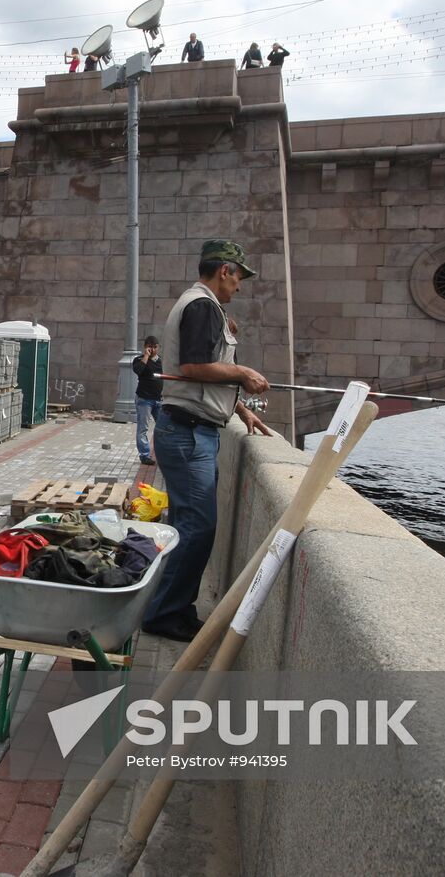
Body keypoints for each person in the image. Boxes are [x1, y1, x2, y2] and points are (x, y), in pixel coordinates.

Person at [143, 240, 273, 642]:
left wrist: (239, 408)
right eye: (239, 277)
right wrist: (242, 374)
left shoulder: (202, 305)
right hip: (186, 434)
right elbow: (194, 367)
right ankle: (163, 614)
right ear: (225, 271)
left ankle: (175, 609)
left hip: (193, 430)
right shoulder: (201, 306)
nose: (240, 286)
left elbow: (199, 379)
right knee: (197, 528)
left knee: (192, 526)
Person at [132, 336, 163, 466]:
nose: (153, 350)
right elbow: (138, 370)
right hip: (144, 399)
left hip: (158, 400)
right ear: (145, 347)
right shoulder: (139, 360)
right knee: (143, 428)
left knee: (162, 427)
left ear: (158, 347)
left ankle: (162, 454)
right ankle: (144, 455)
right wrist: (146, 356)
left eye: (155, 347)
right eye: (150, 347)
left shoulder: (160, 361)